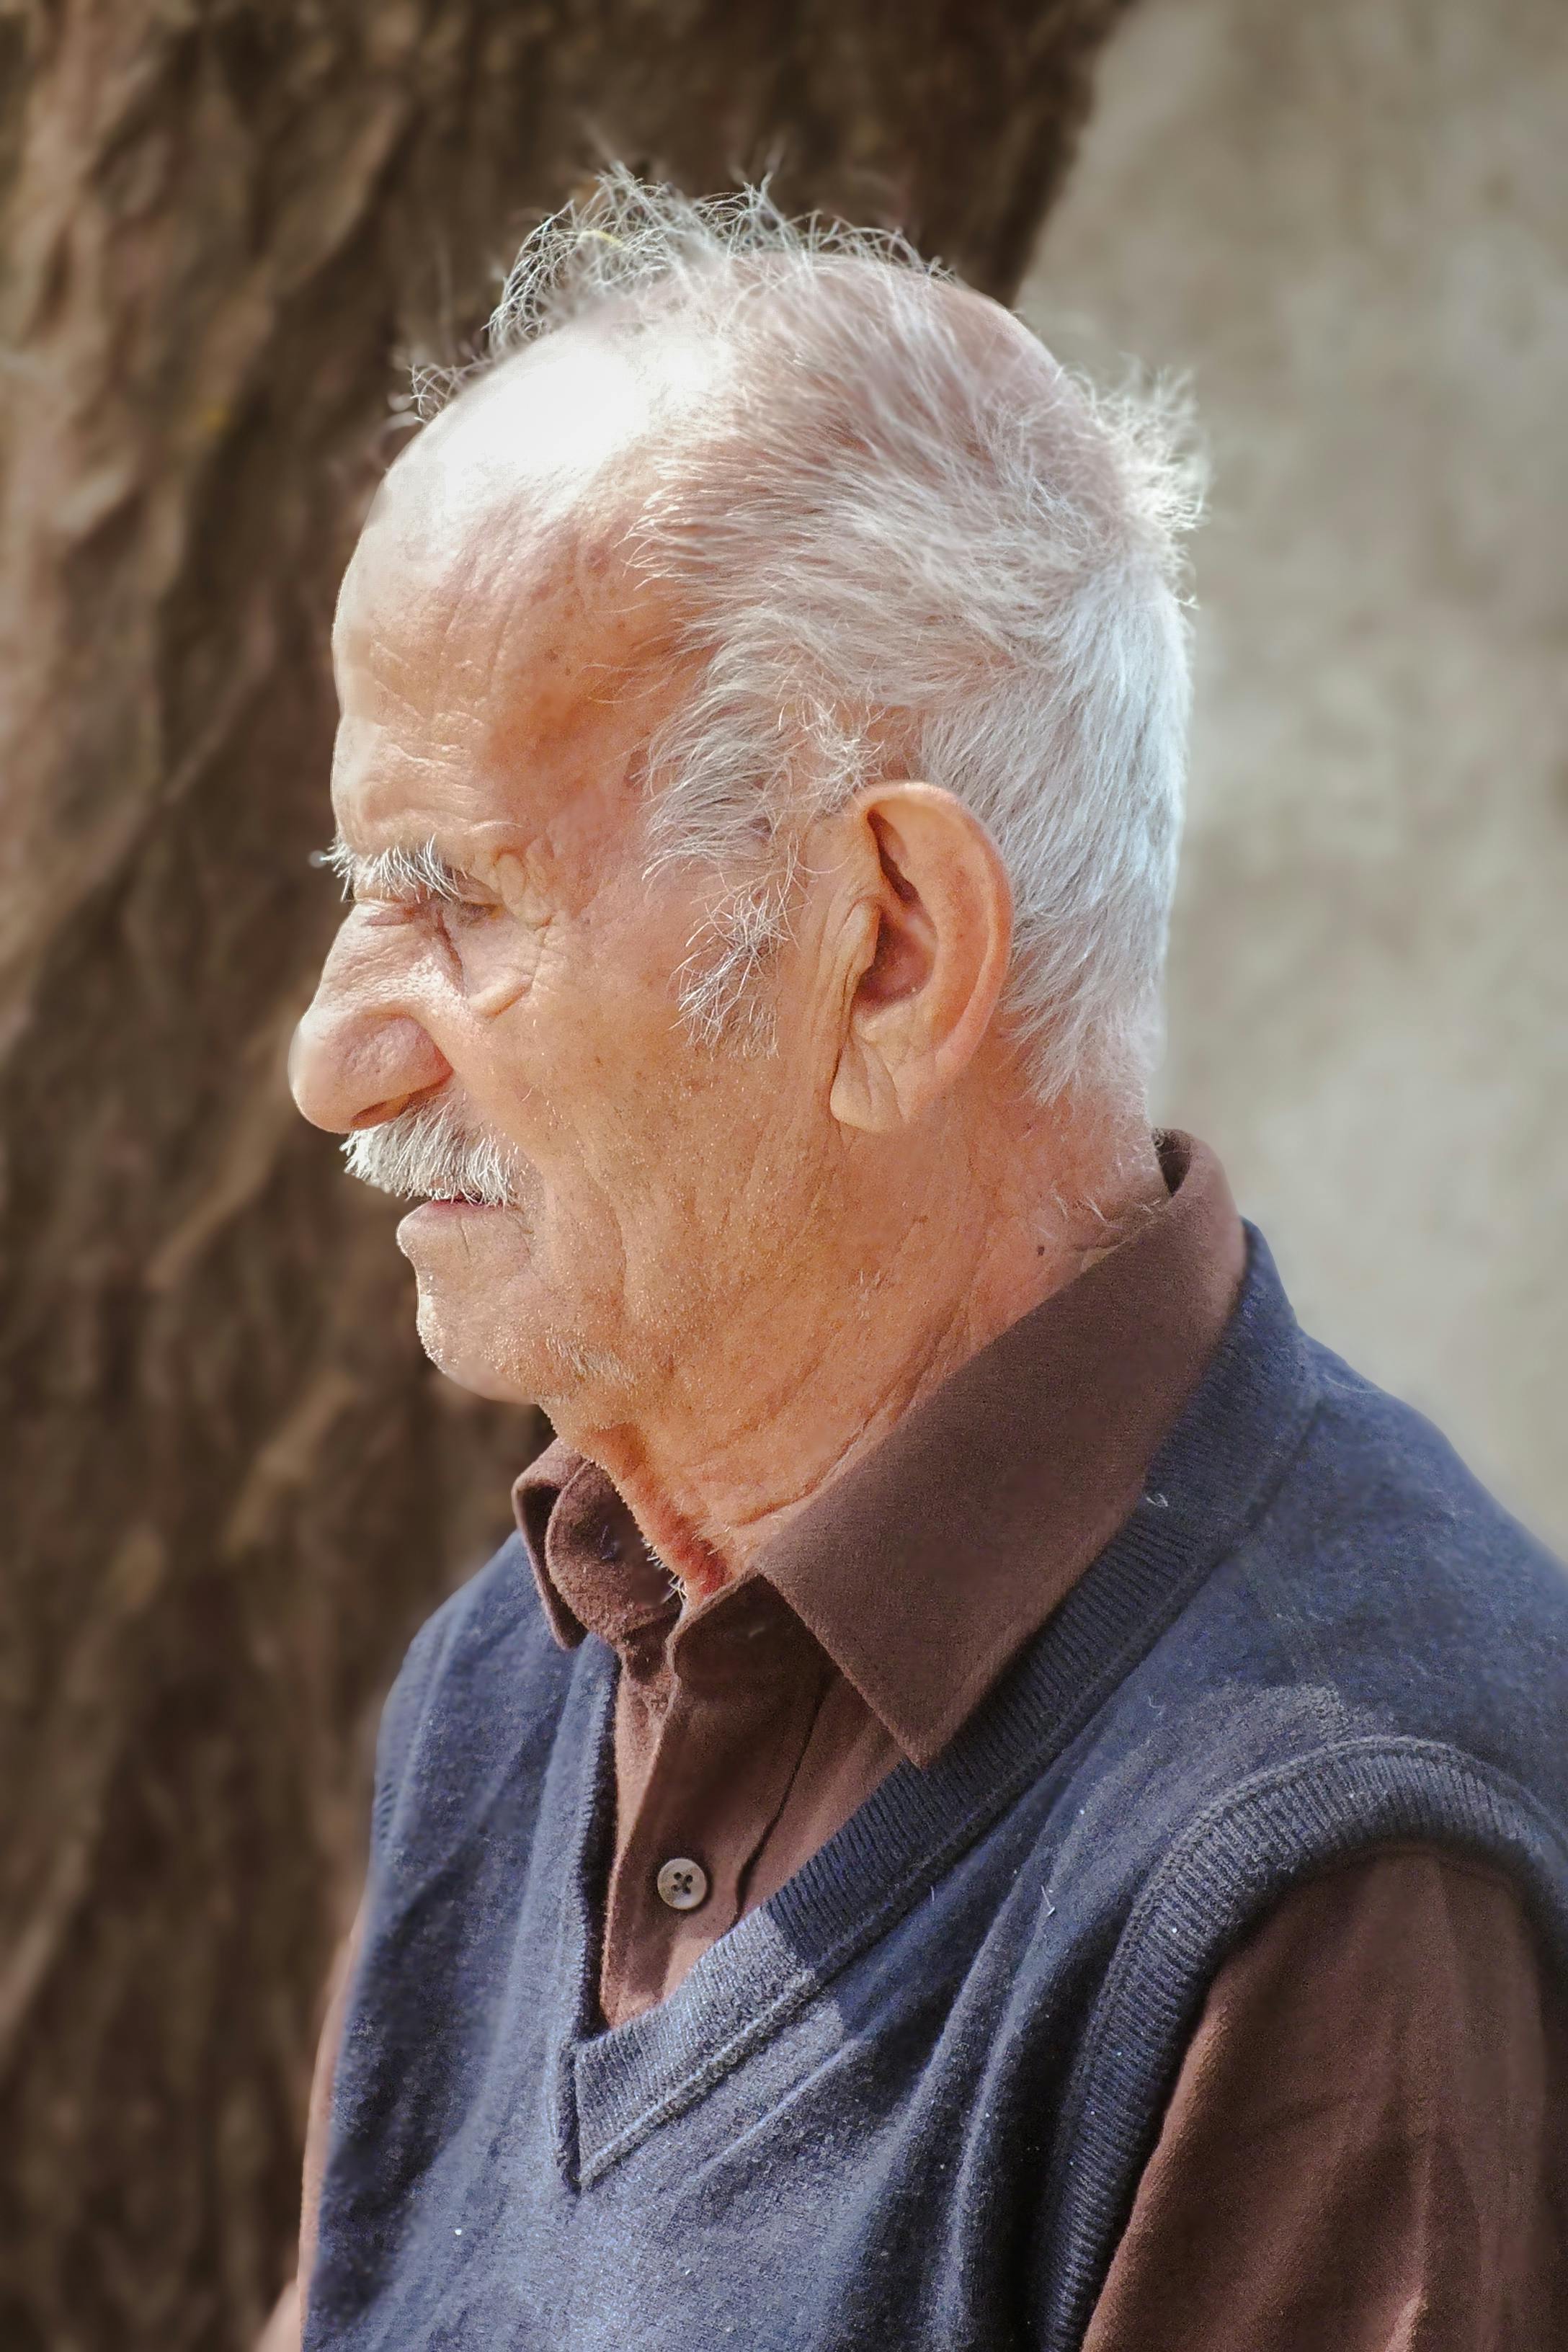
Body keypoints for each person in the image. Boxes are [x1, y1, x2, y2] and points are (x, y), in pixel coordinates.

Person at [281, 172, 1567, 2349]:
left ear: (886, 950)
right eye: (357, 891)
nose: (333, 1060)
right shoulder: (518, 1682)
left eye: (460, 897)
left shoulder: (1330, 1882)